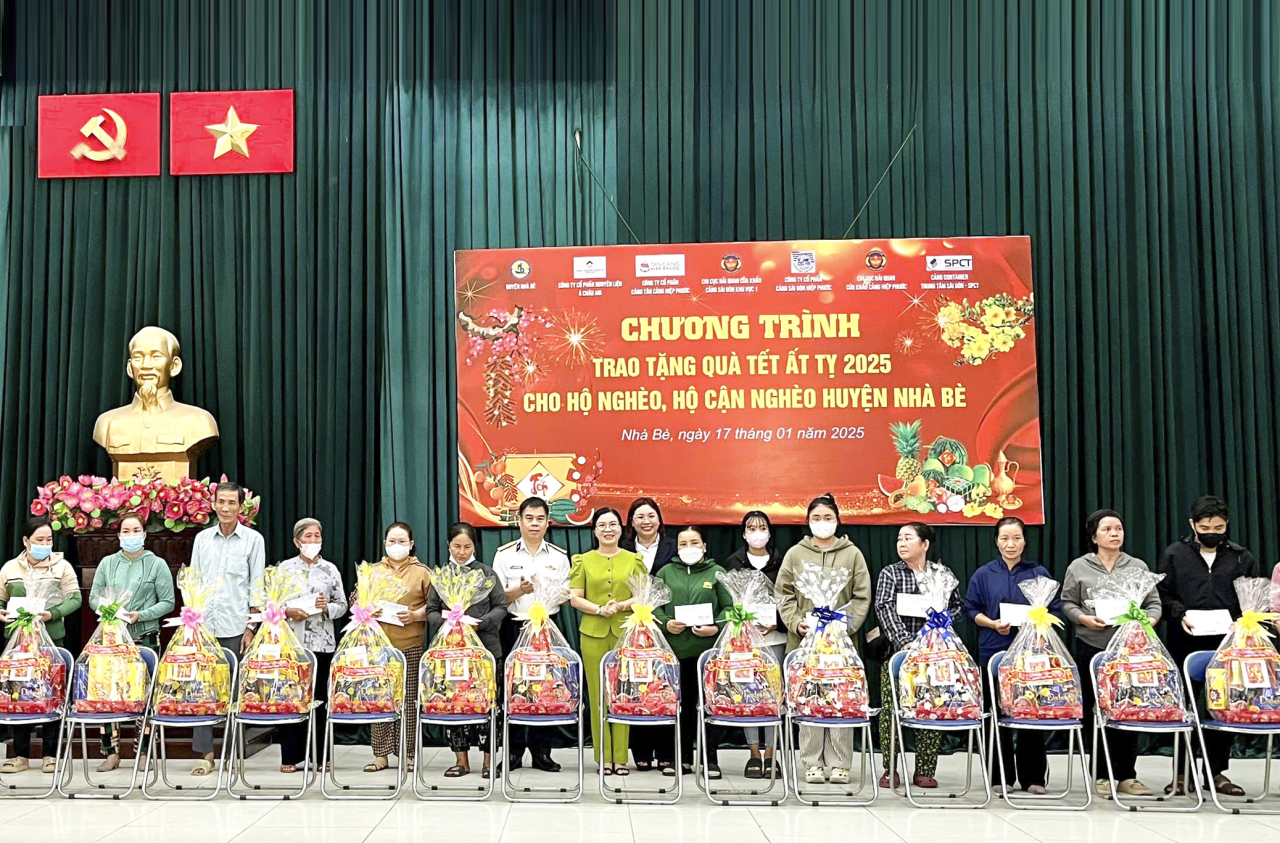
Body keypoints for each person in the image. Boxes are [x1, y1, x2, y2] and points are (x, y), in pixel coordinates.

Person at [1157, 495, 1258, 797]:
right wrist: (1180, 614)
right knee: (1184, 707)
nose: (1212, 532)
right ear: (1193, 525)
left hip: (1227, 644)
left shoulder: (1241, 557)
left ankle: (1216, 773)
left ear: (1227, 525)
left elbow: (1252, 597)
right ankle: (1181, 773)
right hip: (1185, 640)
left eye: (1218, 527)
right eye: (1205, 528)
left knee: (1223, 706)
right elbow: (1162, 594)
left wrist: (1242, 621)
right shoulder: (1175, 554)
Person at [1061, 508, 1162, 798]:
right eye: (1106, 530)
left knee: (1129, 708)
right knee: (1096, 711)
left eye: (1118, 529)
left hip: (1130, 651)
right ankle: (1101, 774)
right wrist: (1083, 618)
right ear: (1094, 537)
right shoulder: (1079, 566)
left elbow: (1154, 604)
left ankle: (1127, 775)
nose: (1114, 534)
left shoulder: (1137, 566)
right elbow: (1067, 603)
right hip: (1092, 646)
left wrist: (1146, 622)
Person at [775, 494, 872, 786]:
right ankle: (812, 762)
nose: (822, 523)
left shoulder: (852, 554)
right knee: (810, 698)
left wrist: (842, 627)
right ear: (807, 521)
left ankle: (841, 762)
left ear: (837, 521)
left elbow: (861, 596)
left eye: (827, 518)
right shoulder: (795, 554)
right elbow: (784, 594)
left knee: (842, 698)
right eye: (816, 518)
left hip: (840, 645)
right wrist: (796, 623)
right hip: (805, 643)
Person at [962, 516, 1057, 795]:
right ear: (996, 541)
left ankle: (1033, 777)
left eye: (1016, 538)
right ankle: (999, 776)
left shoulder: (1039, 573)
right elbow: (971, 609)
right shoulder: (984, 574)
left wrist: (1037, 624)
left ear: (1025, 541)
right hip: (994, 649)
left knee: (1030, 712)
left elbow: (1054, 608)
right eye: (1004, 538)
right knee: (994, 714)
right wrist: (992, 624)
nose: (1010, 544)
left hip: (1031, 654)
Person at [874, 522, 961, 790]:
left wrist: (941, 622)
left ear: (925, 544)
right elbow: (884, 608)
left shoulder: (942, 574)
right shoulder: (890, 573)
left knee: (930, 708)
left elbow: (957, 607)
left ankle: (925, 769)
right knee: (890, 712)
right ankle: (890, 768)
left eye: (908, 538)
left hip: (934, 657)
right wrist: (906, 642)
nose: (901, 543)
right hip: (898, 655)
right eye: (899, 538)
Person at [187, 479, 265, 777]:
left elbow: (256, 585)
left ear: (241, 507)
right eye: (221, 501)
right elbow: (193, 581)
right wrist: (192, 625)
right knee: (202, 690)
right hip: (205, 627)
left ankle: (233, 753)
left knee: (235, 692)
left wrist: (251, 627)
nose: (226, 507)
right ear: (213, 504)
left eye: (232, 502)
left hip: (236, 625)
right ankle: (206, 754)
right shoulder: (202, 539)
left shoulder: (253, 540)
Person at [88, 513, 175, 772]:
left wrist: (141, 615)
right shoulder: (107, 563)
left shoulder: (156, 564)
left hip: (144, 637)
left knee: (144, 695)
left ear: (144, 534)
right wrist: (108, 611)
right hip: (112, 638)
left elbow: (168, 602)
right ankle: (111, 752)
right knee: (108, 693)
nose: (131, 536)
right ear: (118, 536)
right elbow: (93, 597)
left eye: (136, 530)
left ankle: (144, 751)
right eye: (126, 531)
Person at [491, 496, 571, 774]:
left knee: (546, 688)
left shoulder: (559, 557)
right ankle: (513, 751)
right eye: (529, 518)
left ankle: (542, 751)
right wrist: (520, 590)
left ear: (548, 523)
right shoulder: (504, 555)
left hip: (547, 628)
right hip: (516, 626)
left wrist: (550, 596)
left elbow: (566, 595)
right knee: (514, 688)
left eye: (540, 519)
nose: (534, 524)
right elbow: (497, 596)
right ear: (519, 521)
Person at [0, 516, 82, 774]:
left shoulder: (62, 566)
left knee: (51, 694)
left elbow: (75, 598)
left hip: (51, 641)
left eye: (48, 539)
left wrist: (52, 614)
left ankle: (50, 754)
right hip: (18, 645)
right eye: (39, 540)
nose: (45, 544)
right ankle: (20, 755)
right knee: (18, 695)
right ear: (26, 541)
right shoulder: (10, 568)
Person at [569, 508, 645, 776]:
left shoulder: (634, 560)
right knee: (597, 693)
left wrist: (620, 605)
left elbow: (642, 595)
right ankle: (603, 756)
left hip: (625, 633)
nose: (608, 529)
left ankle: (621, 757)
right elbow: (575, 597)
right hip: (592, 633)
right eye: (602, 525)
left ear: (622, 529)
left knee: (623, 692)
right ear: (594, 530)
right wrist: (599, 609)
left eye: (613, 524)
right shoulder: (583, 560)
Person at [430, 522, 507, 779]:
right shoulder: (441, 576)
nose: (461, 552)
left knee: (488, 705)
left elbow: (501, 606)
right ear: (448, 546)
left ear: (475, 546)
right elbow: (430, 611)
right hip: (451, 654)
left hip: (485, 651)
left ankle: (488, 760)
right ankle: (461, 760)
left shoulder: (486, 573)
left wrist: (481, 622)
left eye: (467, 547)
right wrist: (449, 622)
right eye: (456, 546)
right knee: (454, 704)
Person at [653, 526, 731, 777]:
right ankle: (682, 758)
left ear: (704, 546)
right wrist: (666, 623)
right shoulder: (666, 572)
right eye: (683, 544)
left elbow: (730, 608)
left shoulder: (717, 573)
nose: (689, 548)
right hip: (676, 652)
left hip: (709, 654)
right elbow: (654, 607)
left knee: (711, 705)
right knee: (682, 706)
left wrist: (715, 627)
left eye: (694, 543)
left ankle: (710, 759)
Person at [278, 518, 347, 774]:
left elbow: (343, 605)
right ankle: (290, 756)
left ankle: (320, 756)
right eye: (308, 536)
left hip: (322, 643)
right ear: (297, 541)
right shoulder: (284, 569)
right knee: (292, 699)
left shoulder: (330, 569)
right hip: (292, 644)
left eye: (317, 536)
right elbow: (271, 604)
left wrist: (326, 607)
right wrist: (287, 611)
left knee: (319, 699)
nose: (313, 540)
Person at [722, 510, 786, 779]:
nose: (757, 533)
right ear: (743, 533)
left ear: (770, 532)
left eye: (762, 527)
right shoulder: (733, 562)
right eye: (751, 528)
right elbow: (727, 601)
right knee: (747, 693)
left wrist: (776, 622)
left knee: (772, 696)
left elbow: (790, 599)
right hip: (744, 641)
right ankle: (754, 754)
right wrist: (742, 622)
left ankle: (771, 754)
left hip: (776, 638)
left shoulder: (782, 560)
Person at [366, 521, 432, 774]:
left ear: (411, 544)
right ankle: (380, 755)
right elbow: (356, 601)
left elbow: (434, 606)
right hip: (378, 648)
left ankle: (409, 753)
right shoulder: (372, 571)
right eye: (392, 541)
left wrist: (415, 615)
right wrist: (367, 609)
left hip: (410, 645)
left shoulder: (422, 572)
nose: (397, 546)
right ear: (384, 543)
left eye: (402, 541)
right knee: (380, 700)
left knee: (409, 700)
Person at [620, 497, 677, 771]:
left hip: (667, 626)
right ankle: (640, 750)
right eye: (640, 516)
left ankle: (666, 751)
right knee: (637, 685)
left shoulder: (674, 547)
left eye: (651, 516)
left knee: (665, 687)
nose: (646, 521)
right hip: (631, 625)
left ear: (659, 519)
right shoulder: (622, 548)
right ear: (631, 522)